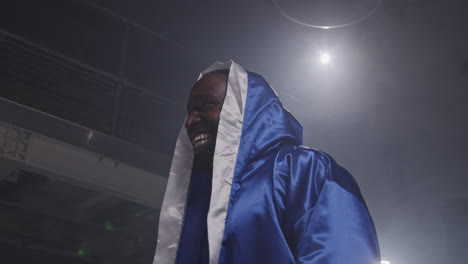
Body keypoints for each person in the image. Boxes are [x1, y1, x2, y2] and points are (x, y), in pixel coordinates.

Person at [153, 61, 380, 264]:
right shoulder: (199, 197)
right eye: (189, 112)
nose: (190, 121)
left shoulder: (303, 169)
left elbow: (342, 254)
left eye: (205, 106)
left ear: (241, 111)